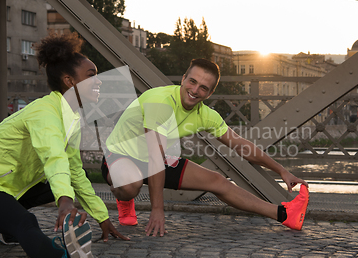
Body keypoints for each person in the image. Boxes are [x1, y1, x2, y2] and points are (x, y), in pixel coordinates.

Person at [0, 32, 128, 258]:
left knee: (63, 183)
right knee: (26, 223)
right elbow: (53, 157)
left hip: (9, 189)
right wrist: (65, 203)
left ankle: (4, 227)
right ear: (70, 81)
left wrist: (102, 217)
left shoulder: (72, 118)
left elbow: (74, 171)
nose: (99, 81)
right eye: (91, 75)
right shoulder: (45, 112)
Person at [101, 58, 309, 237]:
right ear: (183, 79)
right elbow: (154, 155)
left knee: (217, 181)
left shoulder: (206, 115)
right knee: (130, 184)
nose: (195, 90)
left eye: (203, 87)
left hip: (157, 159)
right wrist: (157, 209)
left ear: (209, 93)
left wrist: (282, 170)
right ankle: (125, 200)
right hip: (120, 156)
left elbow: (241, 145)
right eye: (192, 82)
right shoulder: (160, 101)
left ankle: (284, 214)